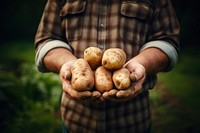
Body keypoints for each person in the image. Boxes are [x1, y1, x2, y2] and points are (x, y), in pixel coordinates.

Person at [34, 0, 180, 132]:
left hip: (133, 122)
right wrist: (67, 64)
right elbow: (46, 39)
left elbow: (167, 40)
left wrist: (142, 64)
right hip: (75, 122)